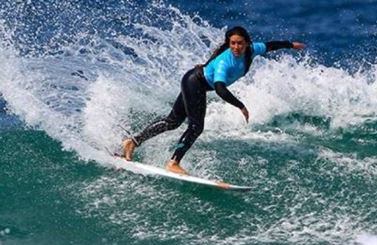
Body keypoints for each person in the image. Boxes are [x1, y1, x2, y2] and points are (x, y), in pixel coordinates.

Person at [121, 26, 305, 174]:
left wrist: (290, 45)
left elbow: (271, 45)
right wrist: (241, 106)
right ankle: (173, 162)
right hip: (195, 83)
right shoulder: (225, 62)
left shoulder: (252, 50)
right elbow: (220, 89)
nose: (236, 47)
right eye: (232, 43)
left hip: (193, 81)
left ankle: (132, 142)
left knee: (173, 121)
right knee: (195, 126)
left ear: (247, 43)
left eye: (240, 43)